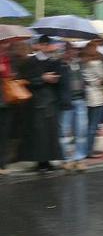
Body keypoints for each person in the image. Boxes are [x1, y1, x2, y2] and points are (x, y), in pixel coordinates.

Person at [18, 35, 64, 172]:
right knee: (39, 133)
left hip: (50, 101)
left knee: (50, 133)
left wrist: (56, 79)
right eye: (48, 45)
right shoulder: (30, 62)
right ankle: (40, 162)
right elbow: (24, 81)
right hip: (35, 103)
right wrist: (42, 78)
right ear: (42, 45)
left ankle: (48, 160)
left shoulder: (54, 62)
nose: (50, 48)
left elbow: (60, 80)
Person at [58, 42, 89, 171]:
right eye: (72, 49)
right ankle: (66, 159)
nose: (75, 52)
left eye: (77, 49)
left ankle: (79, 159)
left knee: (81, 132)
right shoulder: (60, 64)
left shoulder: (79, 64)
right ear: (66, 50)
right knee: (64, 132)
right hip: (66, 102)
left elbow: (83, 80)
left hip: (80, 100)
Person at [81, 40, 103, 159]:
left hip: (86, 95)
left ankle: (84, 149)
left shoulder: (81, 63)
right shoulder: (96, 62)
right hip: (96, 96)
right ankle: (89, 150)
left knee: (86, 125)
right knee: (93, 126)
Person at [0, 42, 14, 174]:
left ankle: (2, 164)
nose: (4, 46)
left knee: (4, 133)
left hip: (5, 100)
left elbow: (9, 74)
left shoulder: (6, 59)